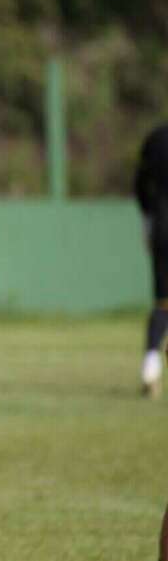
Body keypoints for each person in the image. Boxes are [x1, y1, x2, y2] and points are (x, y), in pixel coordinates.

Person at [135, 123, 168, 399]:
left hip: (162, 229)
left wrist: (147, 221)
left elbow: (140, 184)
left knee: (163, 300)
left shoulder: (155, 139)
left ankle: (151, 364)